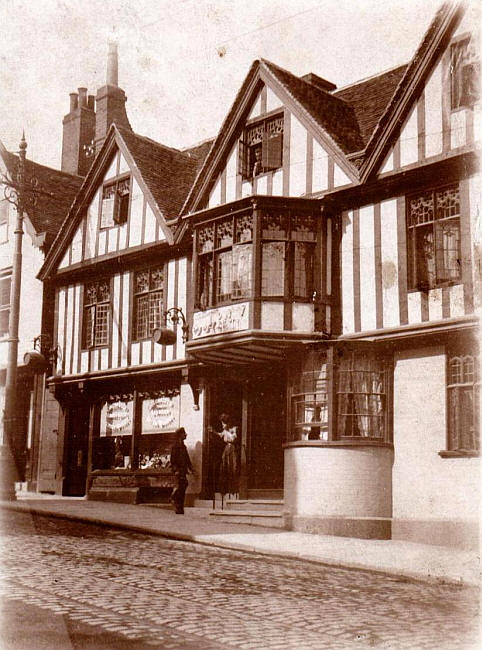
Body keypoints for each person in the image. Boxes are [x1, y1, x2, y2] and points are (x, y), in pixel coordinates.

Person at [212, 413, 239, 497]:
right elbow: (221, 435)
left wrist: (227, 431)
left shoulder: (234, 429)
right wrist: (214, 432)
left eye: (223, 423)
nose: (222, 425)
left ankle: (233, 490)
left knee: (232, 467)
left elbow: (233, 438)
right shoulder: (225, 430)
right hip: (227, 448)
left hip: (232, 448)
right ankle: (224, 490)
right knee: (224, 467)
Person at [169, 427, 194, 514]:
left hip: (183, 470)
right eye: (184, 433)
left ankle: (180, 507)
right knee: (181, 486)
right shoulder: (175, 447)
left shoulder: (183, 446)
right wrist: (176, 470)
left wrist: (190, 468)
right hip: (178, 471)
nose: (186, 435)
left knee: (183, 487)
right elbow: (173, 460)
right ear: (180, 435)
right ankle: (175, 500)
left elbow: (187, 458)